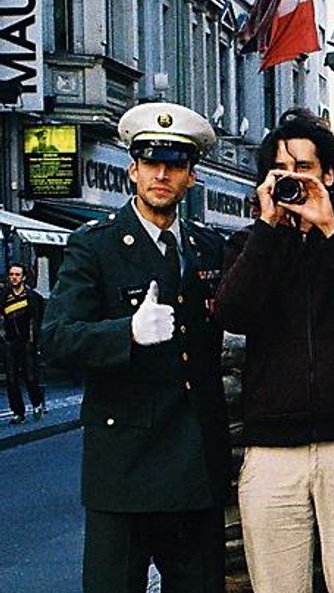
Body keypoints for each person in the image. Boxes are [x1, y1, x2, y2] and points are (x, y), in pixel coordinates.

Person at [41, 102, 229, 593]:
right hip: (125, 469)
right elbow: (55, 337)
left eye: (175, 164)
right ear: (133, 170)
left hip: (195, 466)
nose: (161, 174)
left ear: (192, 175)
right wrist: (125, 332)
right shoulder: (96, 246)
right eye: (151, 162)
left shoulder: (208, 246)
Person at [215, 108, 334, 593]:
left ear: (329, 176)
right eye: (282, 172)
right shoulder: (250, 243)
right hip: (272, 450)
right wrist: (269, 229)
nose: (293, 181)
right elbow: (232, 312)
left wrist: (330, 230)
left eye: (304, 169)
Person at [2, 263, 47, 423]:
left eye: (17, 275)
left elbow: (36, 319)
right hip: (11, 341)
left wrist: (35, 340)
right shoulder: (4, 296)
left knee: (30, 377)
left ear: (23, 277)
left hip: (27, 342)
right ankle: (18, 413)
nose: (14, 277)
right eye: (11, 274)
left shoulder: (31, 296)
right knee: (11, 378)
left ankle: (37, 403)